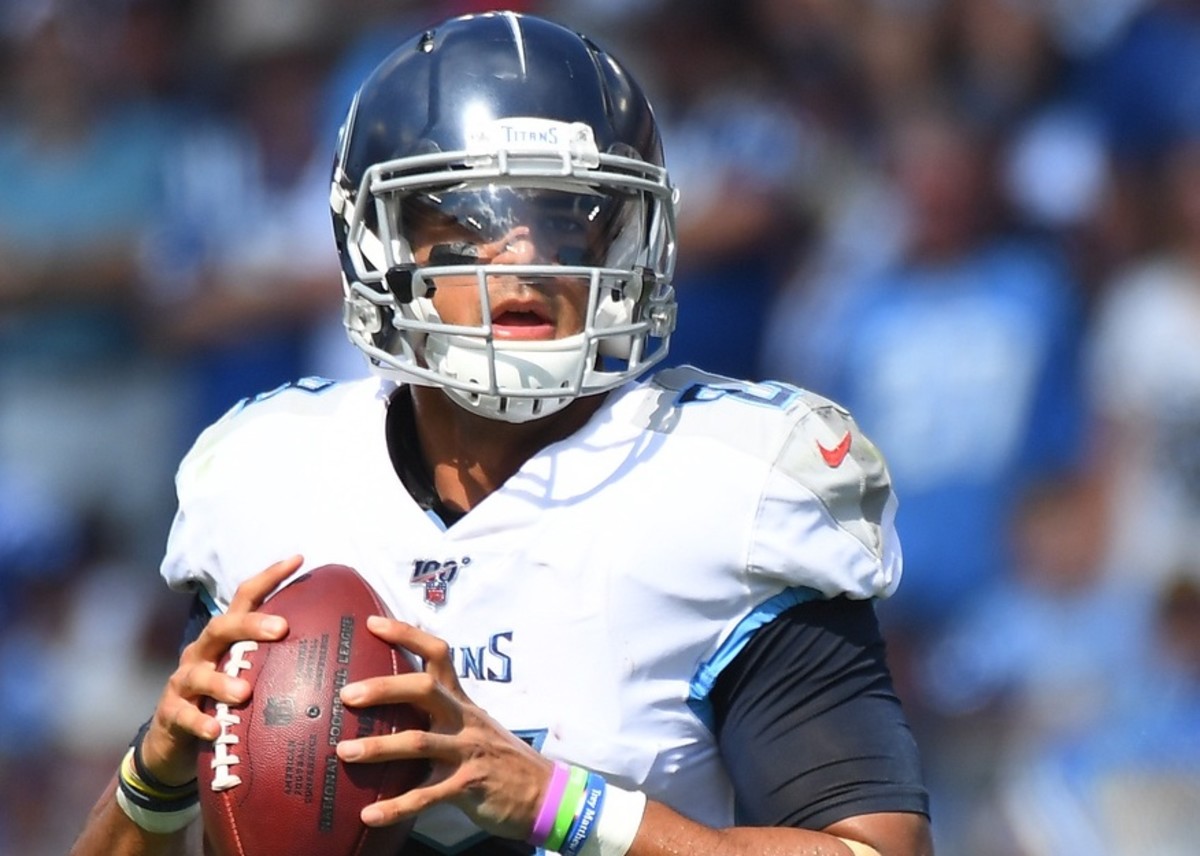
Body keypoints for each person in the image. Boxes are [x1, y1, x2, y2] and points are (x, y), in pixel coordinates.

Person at [69, 11, 931, 856]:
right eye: (467, 222)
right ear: (380, 246)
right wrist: (152, 782)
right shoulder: (270, 475)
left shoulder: (731, 489)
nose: (522, 255)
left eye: (568, 219)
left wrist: (563, 805)